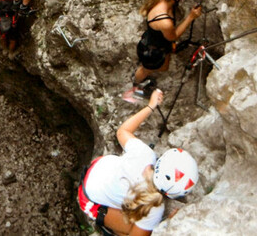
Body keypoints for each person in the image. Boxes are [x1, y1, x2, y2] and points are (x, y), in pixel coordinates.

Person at [78, 90, 199, 236]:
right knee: (131, 230)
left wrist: (151, 106)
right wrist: (167, 225)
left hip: (98, 167)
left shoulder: (145, 154)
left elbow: (122, 131)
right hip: (88, 197)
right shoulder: (154, 210)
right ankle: (108, 225)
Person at [132, 0, 202, 95]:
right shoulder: (164, 21)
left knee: (164, 67)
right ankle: (136, 85)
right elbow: (172, 37)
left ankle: (143, 75)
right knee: (146, 69)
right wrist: (191, 17)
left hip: (153, 42)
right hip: (152, 51)